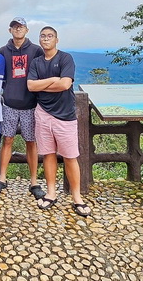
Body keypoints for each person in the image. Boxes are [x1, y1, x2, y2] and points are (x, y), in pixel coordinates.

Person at [27, 26, 91, 217]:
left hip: (65, 115)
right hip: (42, 112)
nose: (46, 39)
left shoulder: (65, 58)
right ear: (39, 39)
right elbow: (31, 86)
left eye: (50, 36)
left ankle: (77, 197)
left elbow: (65, 84)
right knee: (48, 154)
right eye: (43, 36)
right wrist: (53, 80)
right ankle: (51, 193)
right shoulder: (36, 62)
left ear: (57, 39)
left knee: (70, 156)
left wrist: (44, 84)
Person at [0, 17, 45, 198]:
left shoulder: (36, 50)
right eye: (14, 27)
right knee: (7, 139)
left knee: (31, 142)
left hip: (30, 104)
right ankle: (2, 177)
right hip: (9, 103)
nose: (17, 29)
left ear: (27, 30)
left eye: (21, 27)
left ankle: (34, 181)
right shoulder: (3, 51)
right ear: (10, 30)